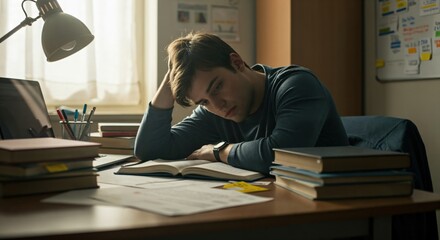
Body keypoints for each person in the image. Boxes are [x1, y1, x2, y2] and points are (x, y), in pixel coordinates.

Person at [134, 32, 348, 174]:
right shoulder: (213, 112)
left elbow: (283, 153)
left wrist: (220, 151)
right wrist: (171, 78)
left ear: (236, 63)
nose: (218, 105)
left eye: (217, 86)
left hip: (338, 208)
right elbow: (150, 150)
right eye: (203, 101)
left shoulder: (296, 84)